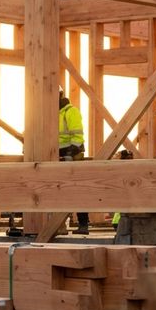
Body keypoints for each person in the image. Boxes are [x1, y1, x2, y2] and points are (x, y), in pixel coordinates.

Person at [59, 88, 91, 235]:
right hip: (57, 156)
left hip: (71, 154)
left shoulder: (70, 112)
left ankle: (83, 224)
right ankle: (58, 225)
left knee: (78, 190)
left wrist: (71, 151)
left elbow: (77, 136)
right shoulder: (53, 113)